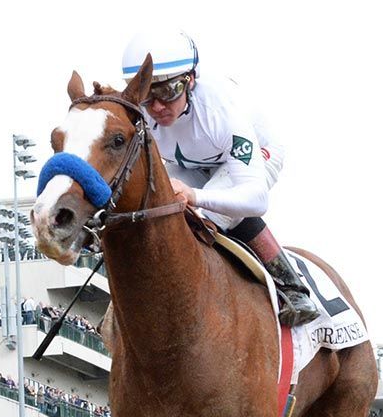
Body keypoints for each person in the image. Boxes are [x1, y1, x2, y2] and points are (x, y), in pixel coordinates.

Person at [120, 29, 320, 327]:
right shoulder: (140, 113)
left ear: (190, 80)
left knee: (204, 213)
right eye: (148, 95)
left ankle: (292, 287)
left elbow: (256, 199)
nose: (157, 107)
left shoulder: (221, 110)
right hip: (191, 163)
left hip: (253, 156)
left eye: (169, 91)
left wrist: (196, 196)